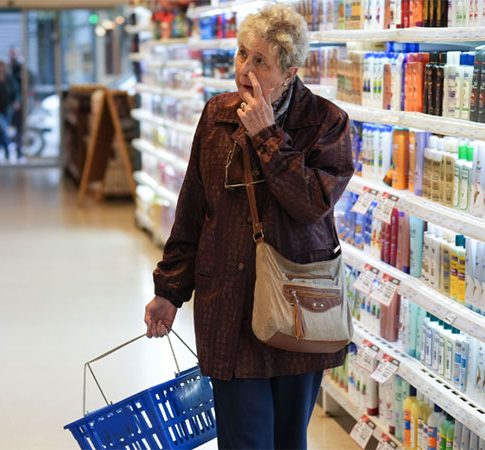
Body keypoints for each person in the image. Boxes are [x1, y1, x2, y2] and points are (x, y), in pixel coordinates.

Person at [143, 4, 354, 449]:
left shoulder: (326, 123)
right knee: (242, 440)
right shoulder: (217, 115)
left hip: (295, 308)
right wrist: (169, 290)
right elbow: (193, 209)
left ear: (290, 71)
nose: (245, 69)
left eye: (261, 61)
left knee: (287, 440)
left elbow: (312, 203)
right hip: (229, 308)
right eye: (242, 55)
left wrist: (267, 138)